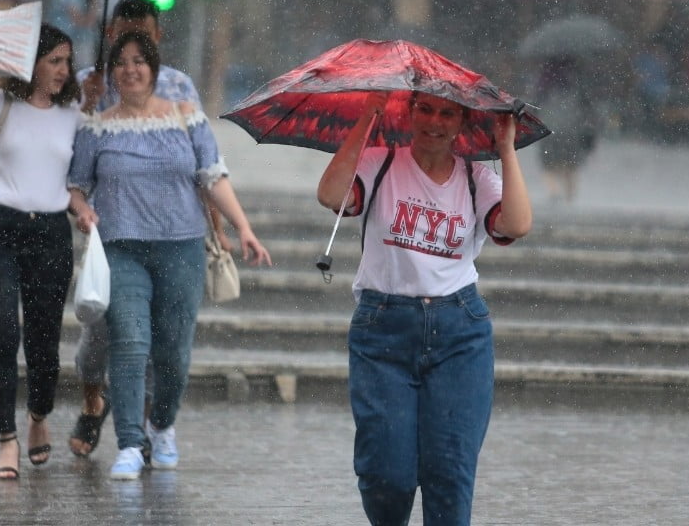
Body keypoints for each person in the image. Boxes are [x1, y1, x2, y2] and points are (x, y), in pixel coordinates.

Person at [316, 91, 532, 526]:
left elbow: (517, 225)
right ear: (410, 112)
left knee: (449, 475)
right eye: (426, 109)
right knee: (386, 475)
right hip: (383, 330)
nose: (435, 121)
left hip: (460, 334)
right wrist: (366, 119)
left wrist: (506, 148)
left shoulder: (477, 179)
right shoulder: (380, 163)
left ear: (462, 123)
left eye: (448, 113)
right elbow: (330, 194)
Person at [67, 30, 272, 480]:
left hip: (181, 248)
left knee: (174, 352)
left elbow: (213, 177)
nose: (130, 69)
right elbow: (76, 187)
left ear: (155, 69)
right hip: (121, 249)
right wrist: (83, 213)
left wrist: (244, 228)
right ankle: (128, 443)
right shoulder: (96, 127)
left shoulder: (186, 118)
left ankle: (161, 426)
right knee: (130, 345)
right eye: (120, 62)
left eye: (139, 60)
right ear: (111, 73)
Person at [0, 24, 87, 481]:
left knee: (44, 342)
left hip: (50, 234)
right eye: (54, 60)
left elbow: (79, 176)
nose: (63, 70)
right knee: (3, 333)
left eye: (67, 61)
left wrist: (84, 209)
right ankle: (6, 438)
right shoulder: (1, 102)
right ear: (29, 63)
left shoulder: (75, 112)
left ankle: (38, 416)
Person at [531, 56, 597, 203]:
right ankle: (570, 197)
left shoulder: (545, 78)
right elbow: (586, 106)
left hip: (549, 127)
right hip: (571, 127)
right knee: (570, 165)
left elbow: (536, 103)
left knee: (548, 164)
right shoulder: (577, 78)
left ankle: (554, 191)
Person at [39, 0, 98, 68]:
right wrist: (80, 17)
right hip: (63, 26)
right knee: (63, 66)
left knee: (85, 68)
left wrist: (91, 14)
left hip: (84, 30)